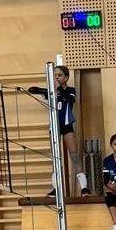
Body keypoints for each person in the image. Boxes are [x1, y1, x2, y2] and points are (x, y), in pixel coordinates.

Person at [28, 66, 90, 197]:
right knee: (55, 159)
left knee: (74, 156)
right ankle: (56, 189)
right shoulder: (51, 91)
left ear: (66, 77)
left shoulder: (70, 90)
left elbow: (70, 99)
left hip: (67, 126)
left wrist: (59, 88)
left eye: (60, 75)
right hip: (54, 127)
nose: (57, 77)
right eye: (55, 75)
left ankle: (84, 188)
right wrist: (41, 90)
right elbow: (33, 90)